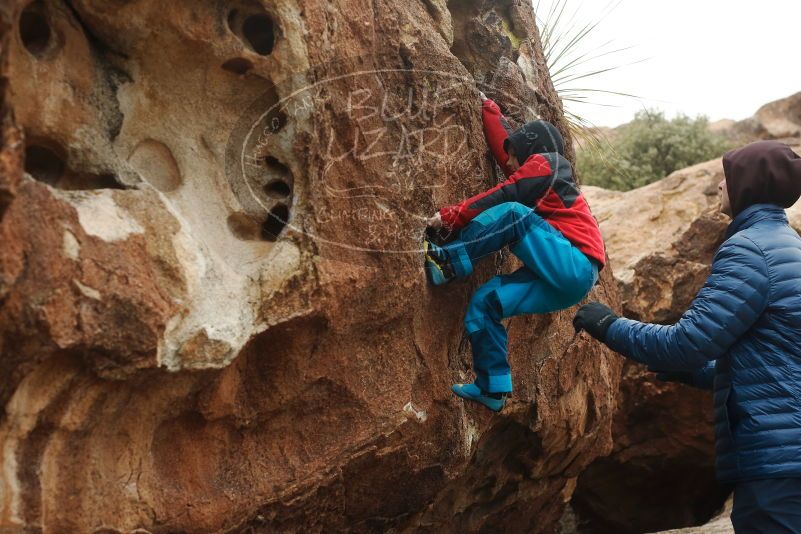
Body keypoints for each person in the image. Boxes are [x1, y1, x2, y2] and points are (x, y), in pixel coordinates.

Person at [573, 140, 801, 532]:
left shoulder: (749, 249)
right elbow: (776, 362)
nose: (718, 186)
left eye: (727, 178)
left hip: (777, 462)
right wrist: (697, 374)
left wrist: (607, 324)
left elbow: (686, 343)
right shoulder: (790, 246)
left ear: (749, 185)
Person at [424, 91, 606, 412]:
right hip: (570, 283)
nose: (507, 162)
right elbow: (507, 152)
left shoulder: (548, 163)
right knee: (486, 302)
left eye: (514, 156)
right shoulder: (543, 176)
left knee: (511, 213)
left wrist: (452, 215)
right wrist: (487, 106)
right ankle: (493, 387)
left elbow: (507, 191)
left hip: (574, 263)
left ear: (531, 151)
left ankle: (448, 261)